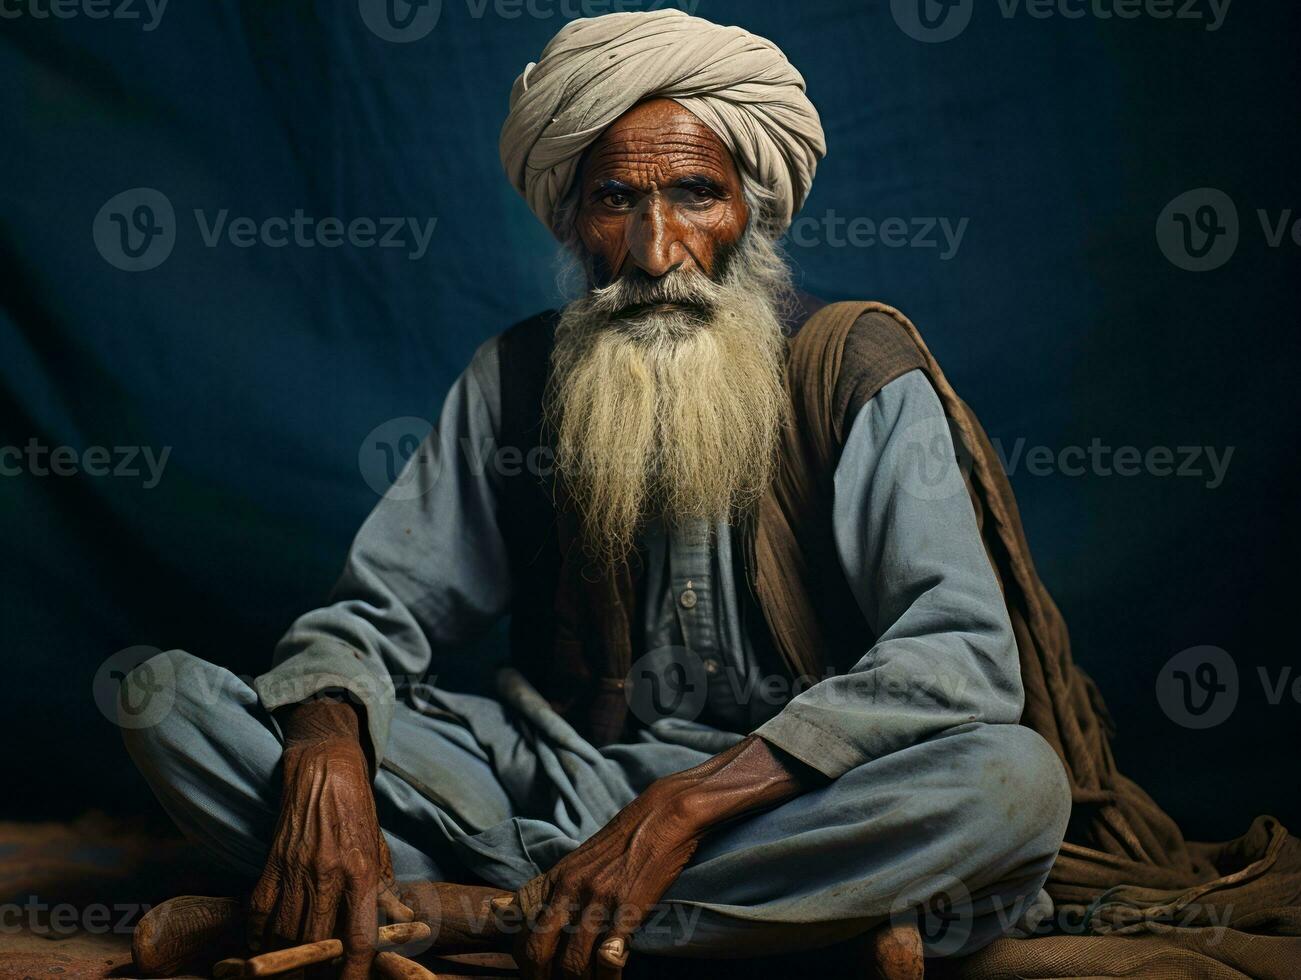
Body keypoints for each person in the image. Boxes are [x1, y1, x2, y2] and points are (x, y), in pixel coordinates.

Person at [122, 11, 1071, 979]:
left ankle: (479, 914)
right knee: (168, 698)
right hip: (551, 777)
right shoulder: (519, 375)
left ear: (752, 207)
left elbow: (959, 652)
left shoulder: (854, 368)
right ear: (573, 220)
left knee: (1011, 785)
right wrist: (325, 747)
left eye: (695, 194)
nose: (656, 250)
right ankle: (668, 914)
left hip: (784, 800)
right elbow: (372, 615)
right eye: (617, 200)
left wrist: (685, 803)